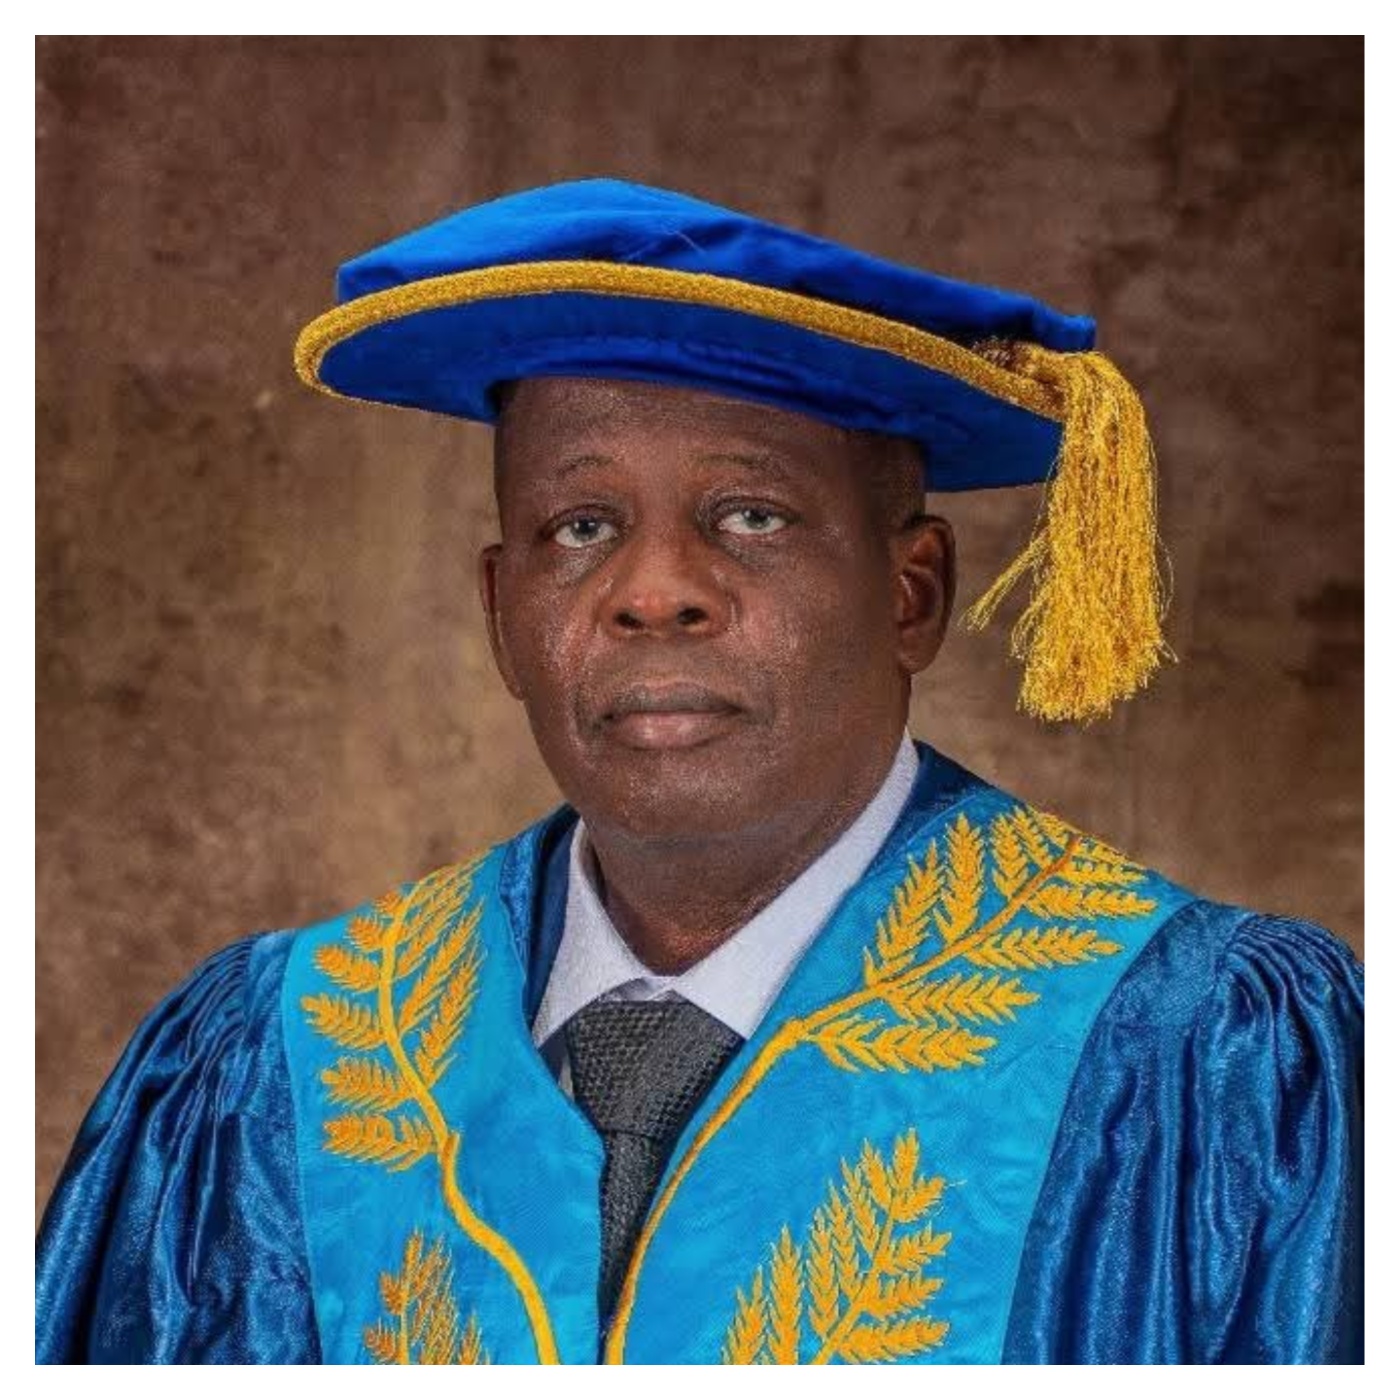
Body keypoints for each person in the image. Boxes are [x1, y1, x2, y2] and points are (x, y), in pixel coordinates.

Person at [36, 179, 1363, 1365]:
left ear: (911, 596)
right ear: (501, 612)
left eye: (751, 515)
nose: (654, 591)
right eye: (580, 526)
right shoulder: (276, 1069)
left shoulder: (1206, 1064)